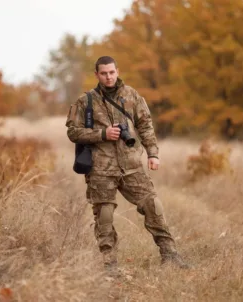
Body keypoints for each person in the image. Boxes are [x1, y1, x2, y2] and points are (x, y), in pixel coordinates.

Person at [65, 56, 189, 272]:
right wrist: (102, 134)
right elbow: (73, 132)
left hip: (131, 165)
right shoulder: (86, 101)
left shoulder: (131, 95)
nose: (109, 76)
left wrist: (153, 153)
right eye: (103, 73)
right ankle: (109, 264)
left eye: (112, 72)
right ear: (97, 75)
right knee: (104, 215)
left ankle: (170, 255)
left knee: (153, 205)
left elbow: (145, 125)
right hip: (101, 168)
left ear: (117, 71)